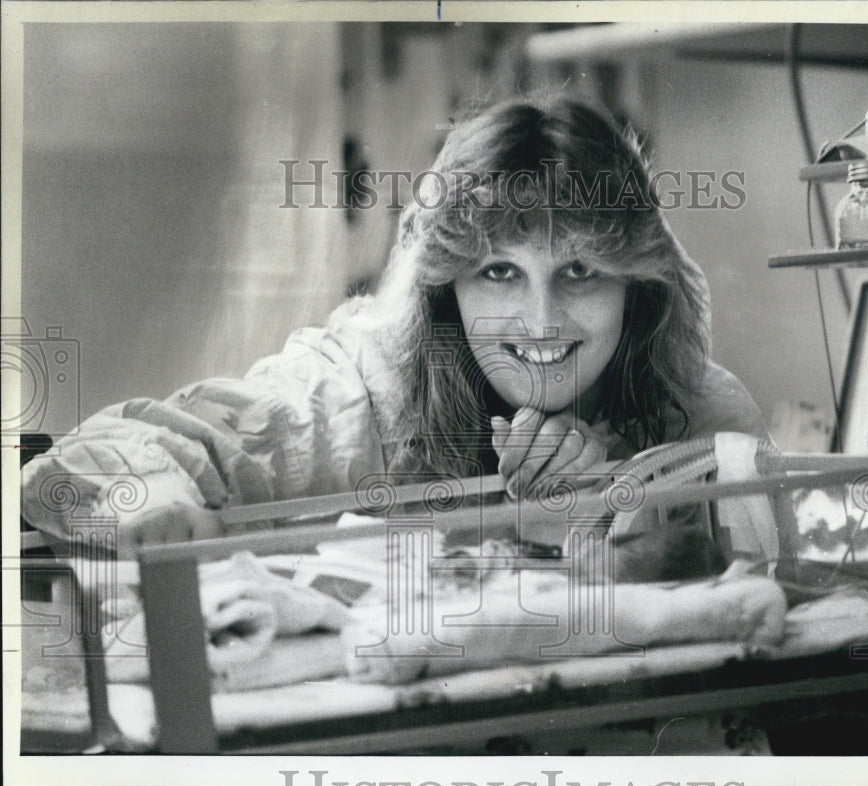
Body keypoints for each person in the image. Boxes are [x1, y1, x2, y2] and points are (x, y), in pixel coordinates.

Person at [20, 94, 769, 569]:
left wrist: (613, 513)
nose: (542, 323)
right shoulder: (359, 390)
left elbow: (776, 596)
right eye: (499, 273)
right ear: (445, 289)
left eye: (579, 273)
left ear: (638, 286)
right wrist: (152, 512)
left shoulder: (698, 409)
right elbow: (81, 460)